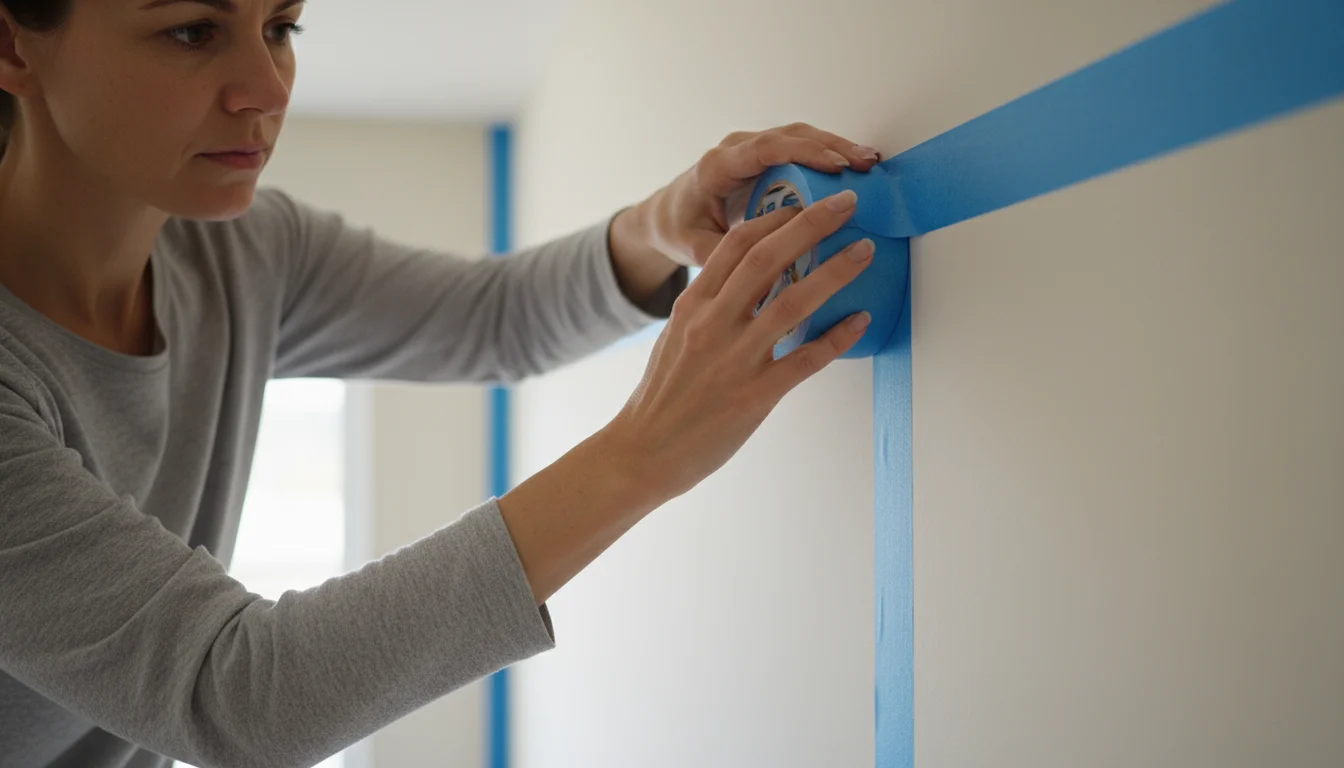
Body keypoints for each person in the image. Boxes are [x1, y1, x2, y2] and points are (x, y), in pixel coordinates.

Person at [0, 1, 880, 766]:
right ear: (14, 48)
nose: (264, 88)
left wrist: (660, 222)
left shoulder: (240, 252)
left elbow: (491, 320)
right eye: (191, 31)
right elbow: (238, 696)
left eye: (281, 26)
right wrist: (645, 451)